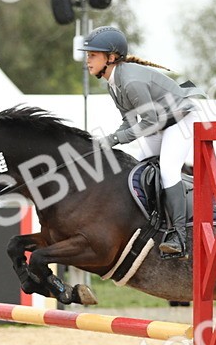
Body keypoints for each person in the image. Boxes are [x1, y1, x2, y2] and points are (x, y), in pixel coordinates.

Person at [82, 25, 206, 258]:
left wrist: (114, 139)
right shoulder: (114, 84)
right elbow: (129, 123)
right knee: (134, 170)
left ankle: (178, 236)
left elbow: (147, 123)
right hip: (161, 122)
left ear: (111, 57)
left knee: (168, 171)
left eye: (92, 55)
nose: (87, 61)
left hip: (181, 119)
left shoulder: (130, 82)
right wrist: (105, 142)